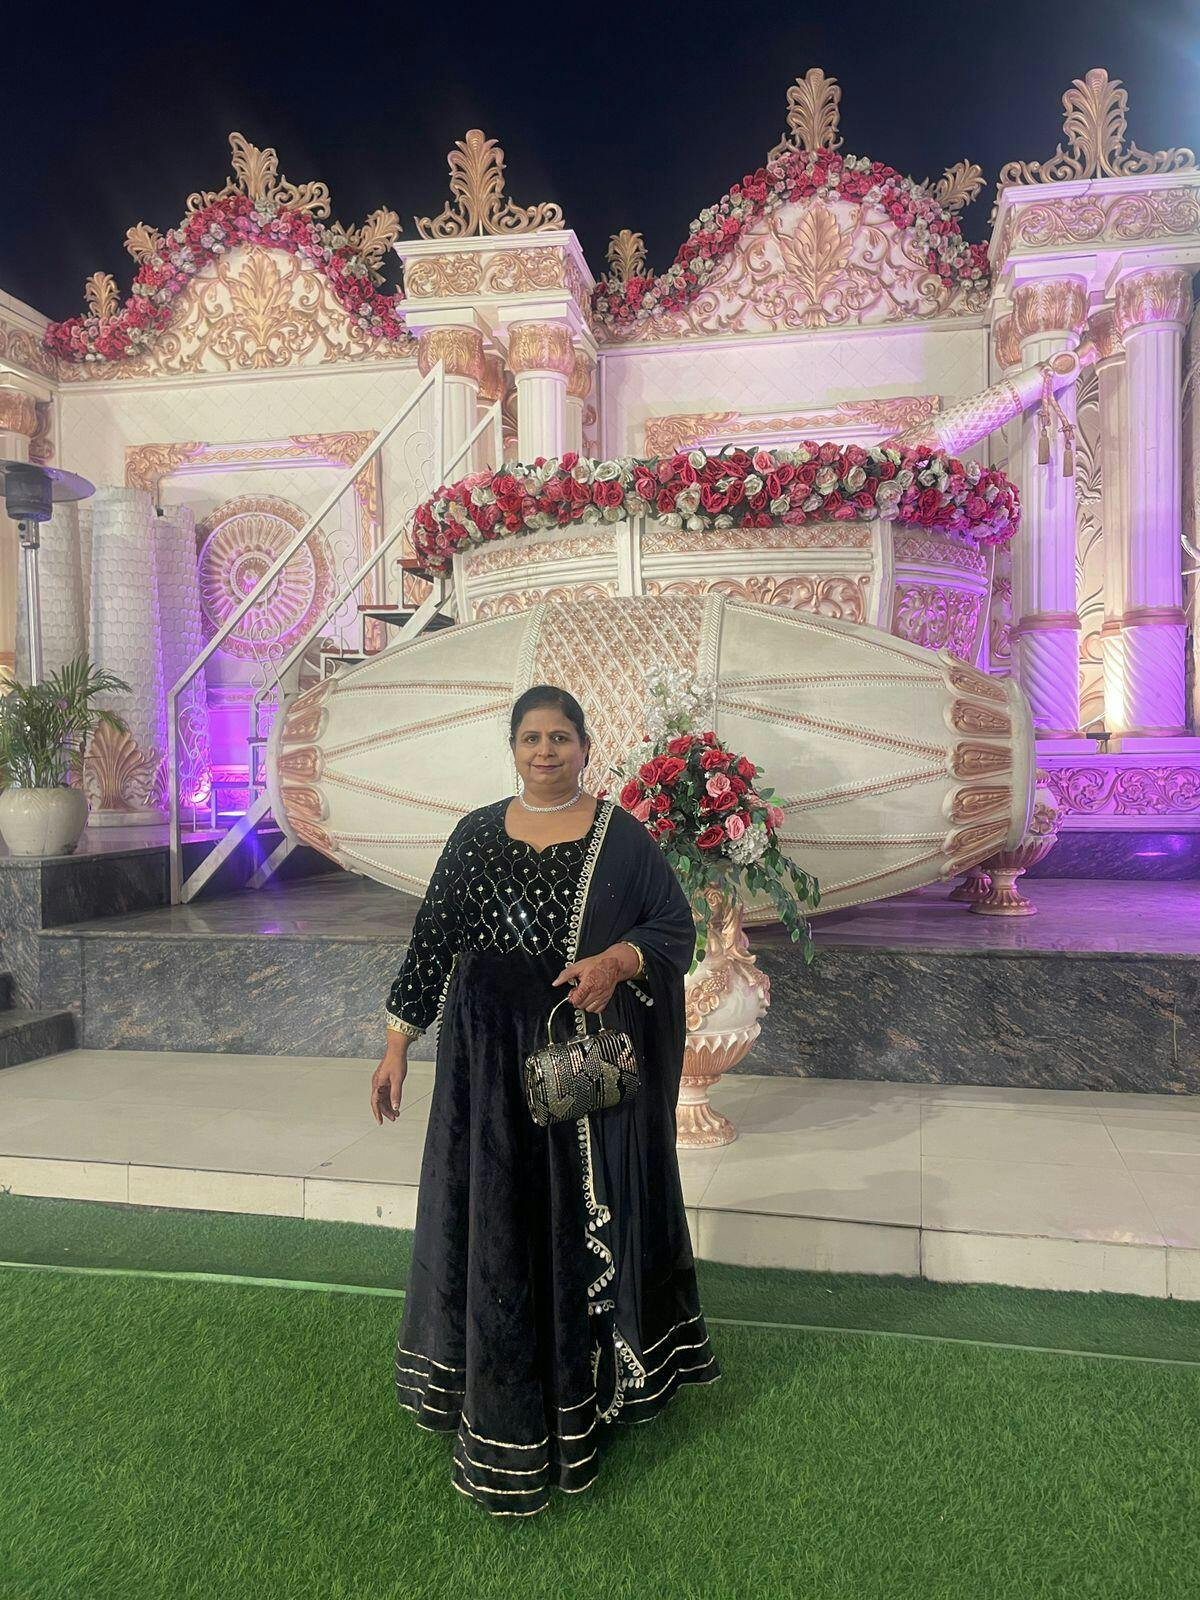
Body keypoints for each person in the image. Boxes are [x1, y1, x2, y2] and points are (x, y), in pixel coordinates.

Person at [370, 684, 721, 1517]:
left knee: (569, 1217)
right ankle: (490, 1379)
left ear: (585, 747)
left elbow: (675, 928)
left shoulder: (621, 838)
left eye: (560, 737)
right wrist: (396, 1044)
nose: (545, 752)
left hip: (574, 1065)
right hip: (487, 1067)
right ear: (513, 748)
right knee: (497, 1216)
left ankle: (586, 1386)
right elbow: (433, 940)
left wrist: (615, 963)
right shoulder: (473, 834)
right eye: (531, 738)